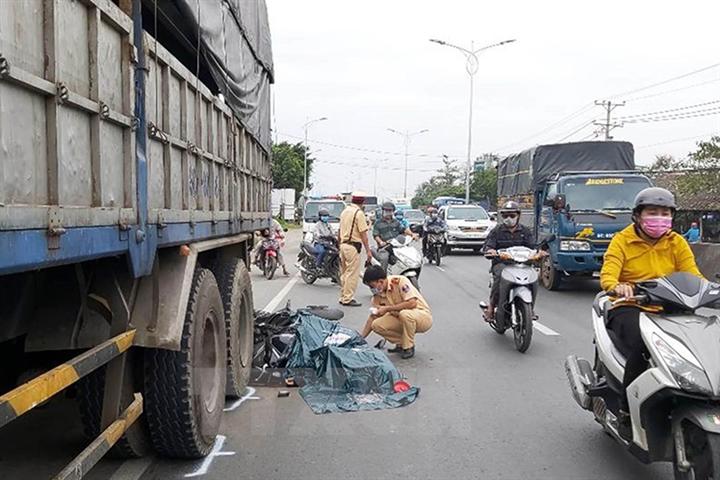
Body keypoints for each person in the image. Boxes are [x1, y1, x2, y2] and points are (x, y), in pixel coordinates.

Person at [600, 187, 702, 438]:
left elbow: (693, 275)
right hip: (630, 306)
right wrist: (618, 286)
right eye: (652, 212)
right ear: (638, 216)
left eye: (664, 213)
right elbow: (608, 275)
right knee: (645, 347)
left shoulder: (677, 242)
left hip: (668, 309)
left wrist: (706, 290)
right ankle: (625, 408)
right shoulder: (622, 240)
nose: (659, 218)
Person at [361, 265, 432, 359]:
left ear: (380, 281)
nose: (372, 289)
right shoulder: (377, 297)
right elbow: (372, 317)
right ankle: (401, 343)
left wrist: (387, 309)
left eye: (372, 286)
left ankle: (408, 347)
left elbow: (412, 303)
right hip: (400, 318)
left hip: (421, 316)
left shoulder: (399, 282)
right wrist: (360, 339)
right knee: (376, 325)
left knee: (405, 314)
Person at [483, 201, 536, 321]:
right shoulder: (497, 231)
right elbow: (488, 246)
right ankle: (491, 308)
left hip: (522, 264)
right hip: (502, 264)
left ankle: (531, 308)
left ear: (518, 216)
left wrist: (539, 253)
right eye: (505, 216)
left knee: (534, 278)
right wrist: (491, 251)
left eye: (512, 215)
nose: (509, 218)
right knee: (499, 278)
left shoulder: (525, 231)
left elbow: (533, 247)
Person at [338, 191, 373, 307]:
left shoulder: (345, 211)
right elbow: (363, 234)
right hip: (353, 246)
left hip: (343, 245)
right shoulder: (359, 213)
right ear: (362, 202)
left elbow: (339, 230)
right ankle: (348, 298)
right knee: (352, 273)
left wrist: (339, 244)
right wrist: (368, 251)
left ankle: (343, 296)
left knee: (344, 272)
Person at [372, 202, 415, 271]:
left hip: (397, 246)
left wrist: (412, 235)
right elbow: (376, 235)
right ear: (383, 211)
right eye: (386, 211)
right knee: (384, 258)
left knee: (407, 257)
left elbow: (404, 230)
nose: (388, 213)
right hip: (385, 247)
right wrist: (381, 242)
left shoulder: (396, 222)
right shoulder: (378, 223)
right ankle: (383, 277)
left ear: (393, 212)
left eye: (390, 211)